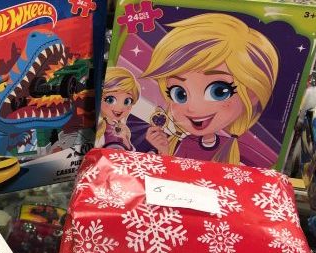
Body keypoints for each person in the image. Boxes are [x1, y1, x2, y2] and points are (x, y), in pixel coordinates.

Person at [141, 13, 278, 164]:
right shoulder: (186, 142)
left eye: (218, 91)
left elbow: (268, 172)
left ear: (252, 94)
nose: (193, 108)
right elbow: (173, 172)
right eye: (179, 94)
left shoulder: (243, 150)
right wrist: (164, 150)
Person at [96, 67, 140, 150]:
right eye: (110, 100)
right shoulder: (97, 124)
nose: (120, 107)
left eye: (127, 101)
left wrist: (125, 139)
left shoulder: (122, 129)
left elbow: (128, 153)